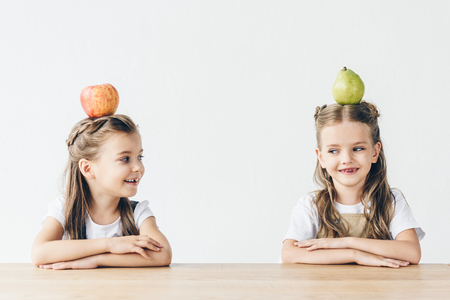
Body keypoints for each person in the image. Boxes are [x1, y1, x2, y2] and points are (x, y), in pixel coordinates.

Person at [281, 101, 424, 268]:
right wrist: (354, 254)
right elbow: (288, 253)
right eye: (333, 151)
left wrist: (347, 242)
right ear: (321, 158)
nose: (347, 159)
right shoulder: (311, 205)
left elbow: (412, 252)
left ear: (375, 152)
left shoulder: (391, 202)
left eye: (358, 149)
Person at [32, 114, 172, 269]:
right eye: (125, 158)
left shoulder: (138, 213)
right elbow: (39, 253)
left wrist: (96, 260)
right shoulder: (64, 209)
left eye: (140, 157)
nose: (138, 167)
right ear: (88, 168)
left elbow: (163, 254)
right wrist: (110, 244)